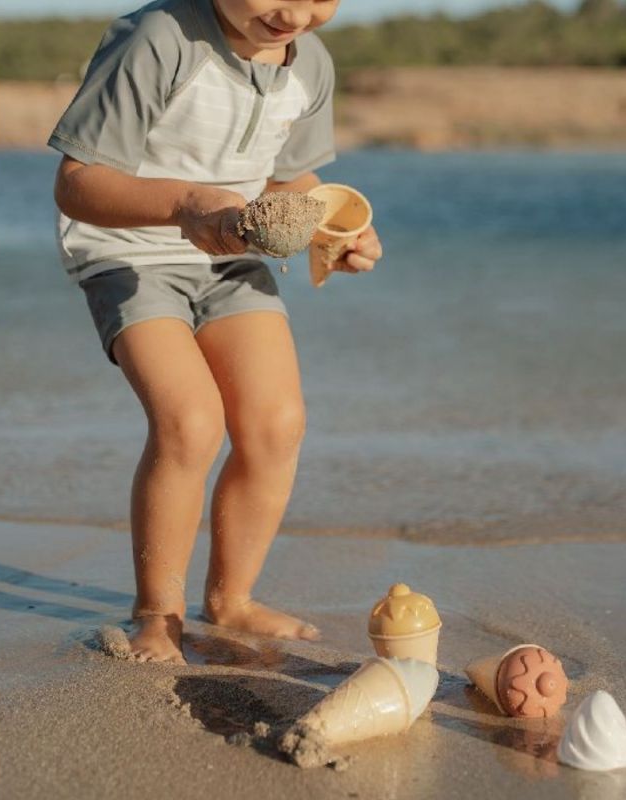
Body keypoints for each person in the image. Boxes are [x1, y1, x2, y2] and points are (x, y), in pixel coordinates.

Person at [48, 0, 382, 664]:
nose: (294, 11)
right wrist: (185, 203)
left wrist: (334, 231)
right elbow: (78, 183)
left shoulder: (309, 61)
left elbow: (289, 180)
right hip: (130, 252)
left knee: (276, 423)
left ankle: (231, 599)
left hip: (231, 254)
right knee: (190, 422)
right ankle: (157, 614)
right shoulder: (160, 37)